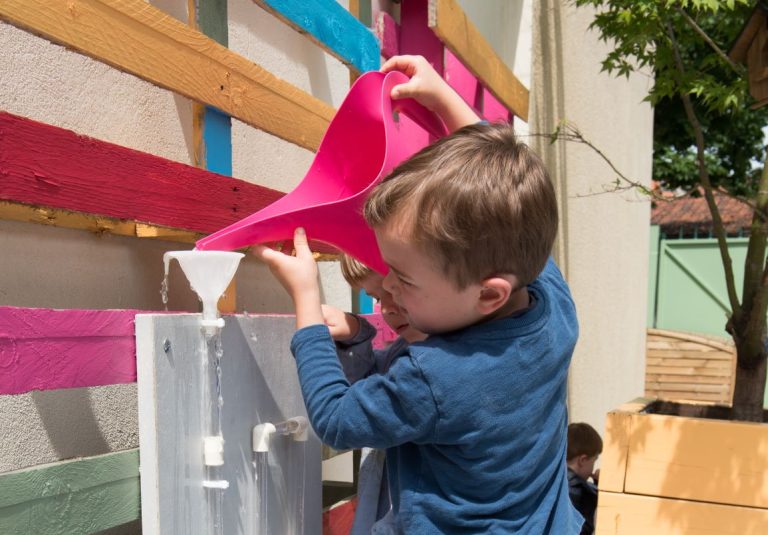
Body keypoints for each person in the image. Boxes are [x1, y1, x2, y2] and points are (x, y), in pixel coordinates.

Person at [256, 55, 582, 533]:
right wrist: (445, 100)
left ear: (489, 295)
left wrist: (307, 300)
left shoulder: (435, 378)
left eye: (405, 278)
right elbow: (501, 189)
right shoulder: (551, 302)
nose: (387, 287)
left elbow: (338, 420)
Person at [324, 254, 427, 534]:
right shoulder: (401, 350)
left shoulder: (430, 369)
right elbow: (366, 383)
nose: (388, 308)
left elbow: (340, 422)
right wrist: (356, 332)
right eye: (377, 297)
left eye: (396, 289)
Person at [566, 423, 602, 535]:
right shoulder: (582, 492)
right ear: (583, 460)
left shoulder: (553, 479)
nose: (593, 467)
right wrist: (602, 486)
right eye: (594, 460)